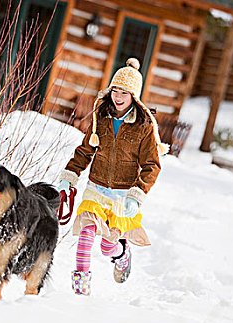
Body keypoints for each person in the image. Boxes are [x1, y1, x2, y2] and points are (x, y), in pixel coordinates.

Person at [58, 58, 169, 296]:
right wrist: (70, 176)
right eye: (115, 90)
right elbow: (86, 150)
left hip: (121, 196)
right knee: (86, 234)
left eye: (124, 93)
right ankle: (80, 290)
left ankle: (121, 254)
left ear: (134, 96)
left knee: (107, 246)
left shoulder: (144, 125)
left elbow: (152, 165)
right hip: (96, 189)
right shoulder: (102, 117)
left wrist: (136, 195)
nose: (118, 97)